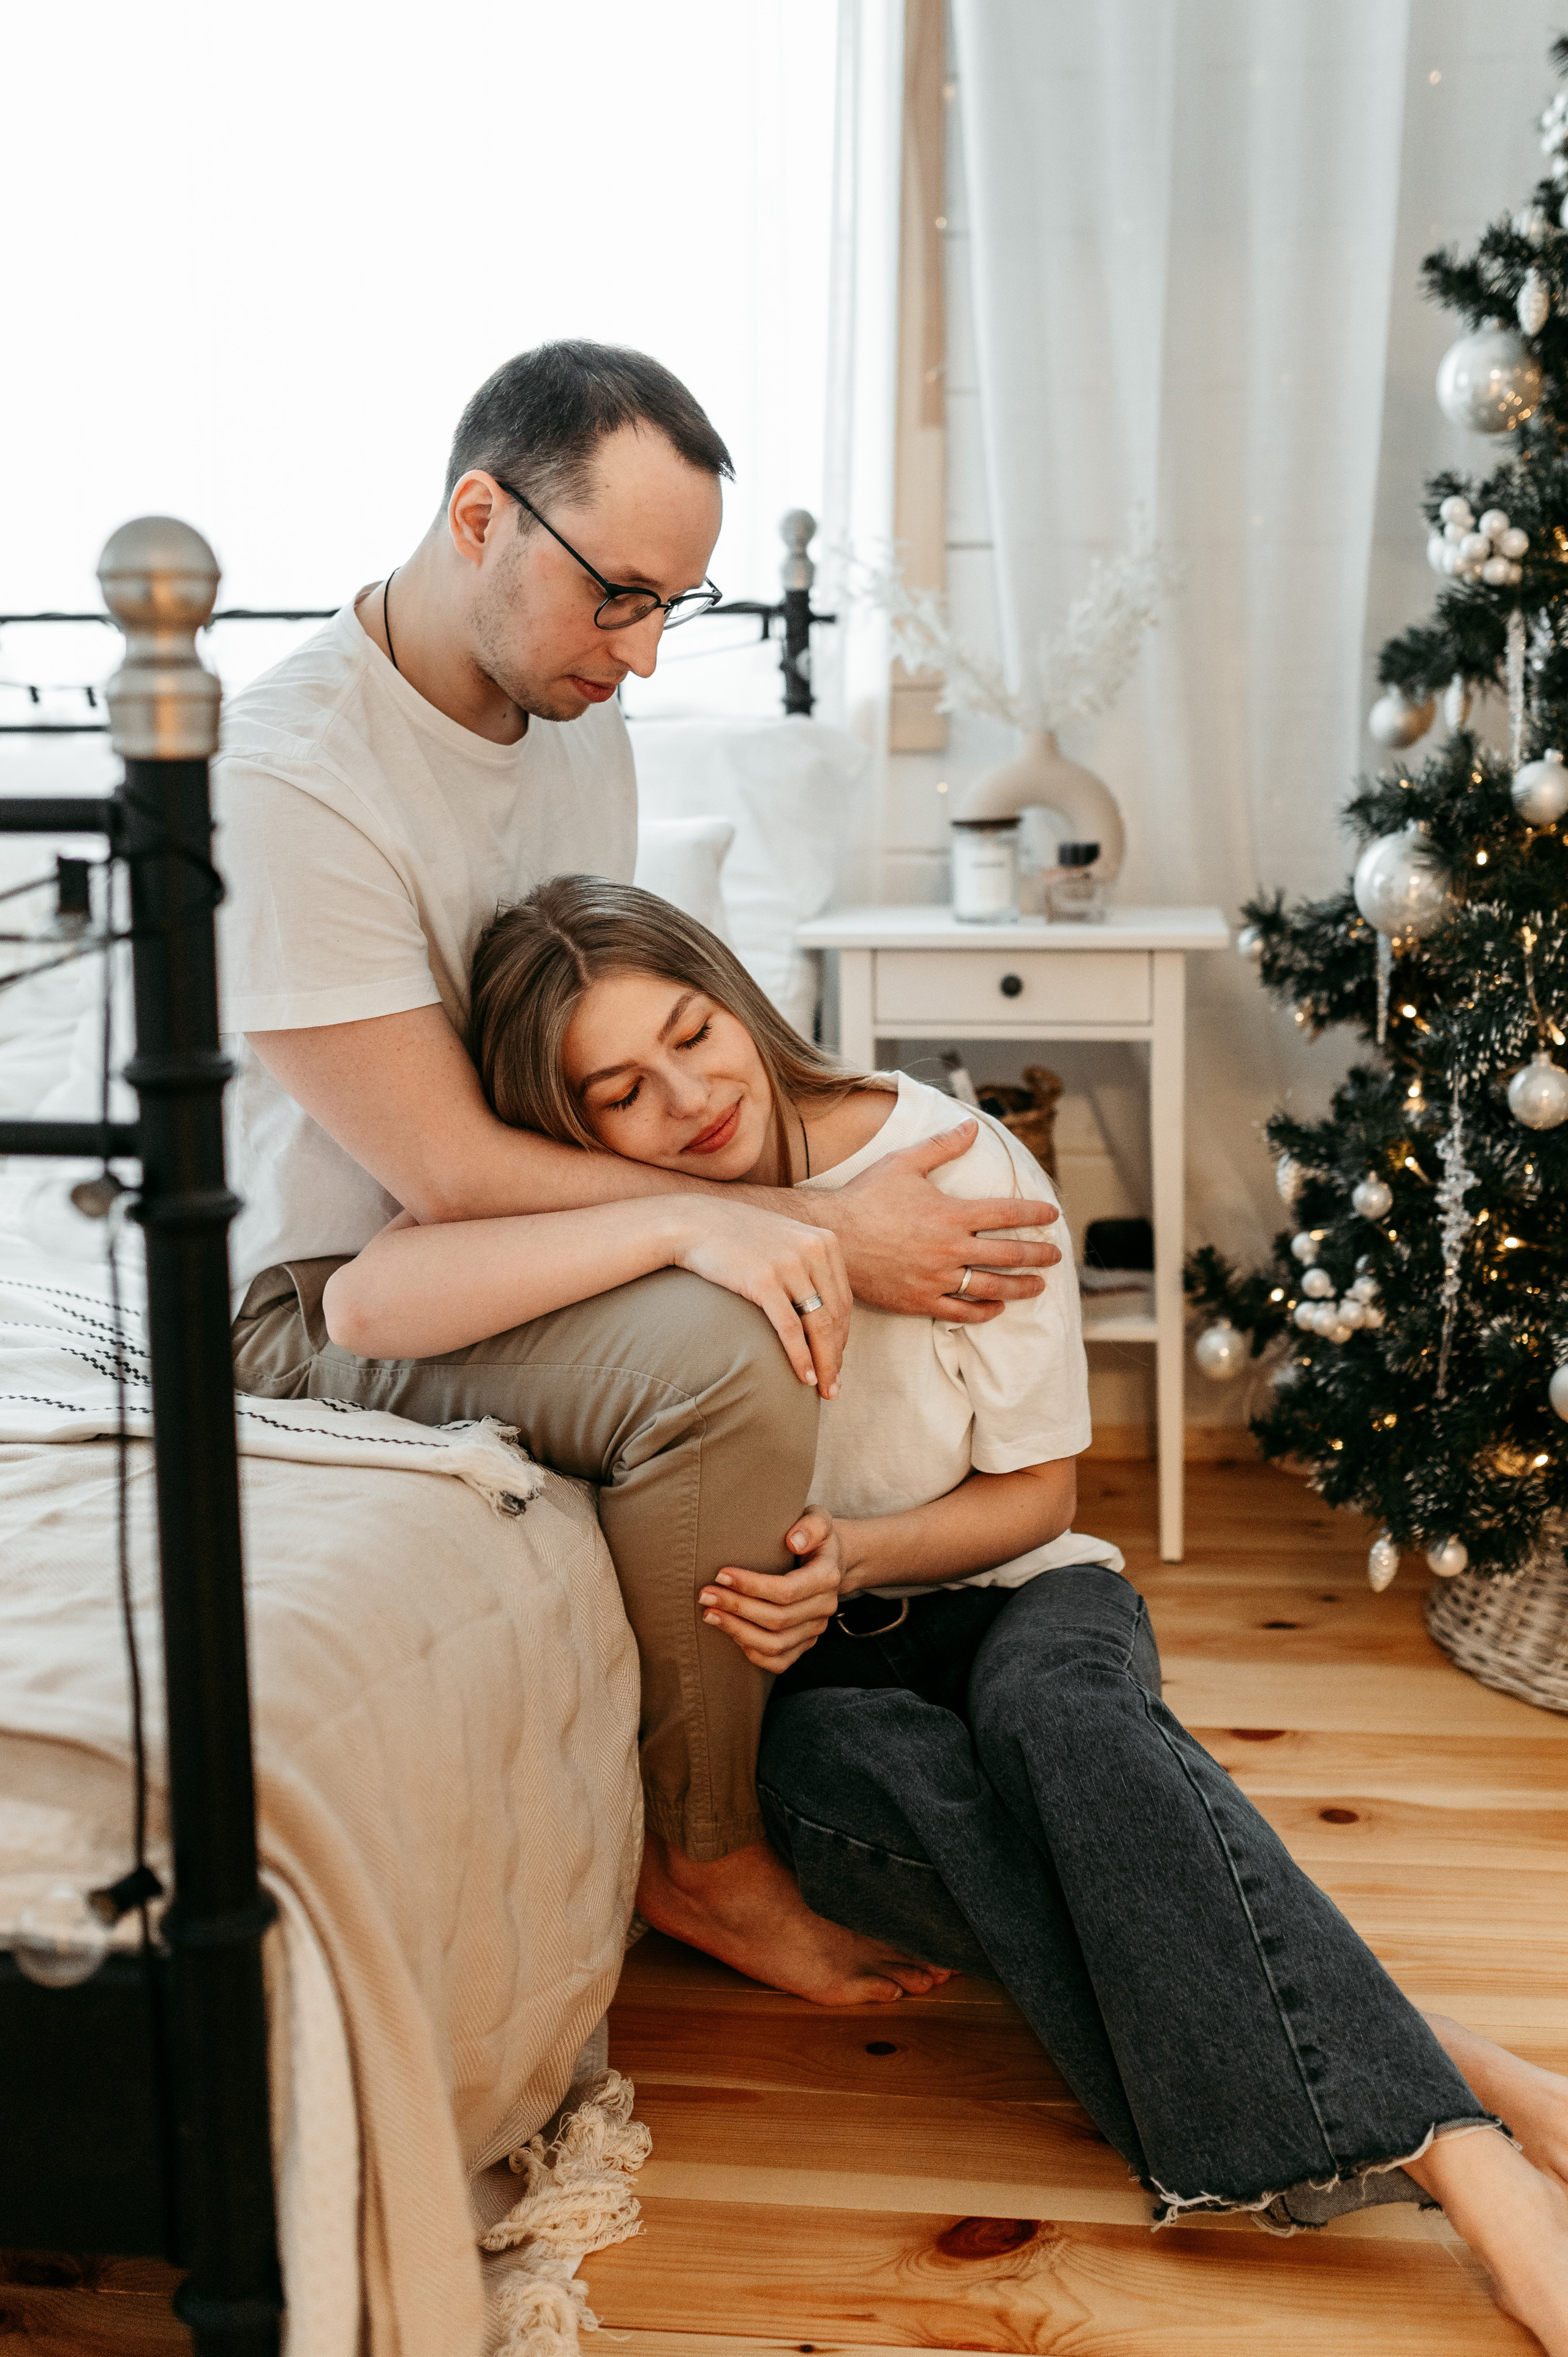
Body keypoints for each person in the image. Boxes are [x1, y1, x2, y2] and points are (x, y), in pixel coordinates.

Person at [323, 876, 1568, 2352]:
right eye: (621, 1093)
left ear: (734, 992)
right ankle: (1451, 2065)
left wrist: (853, 1552)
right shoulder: (626, 1223)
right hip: (814, 1687)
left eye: (691, 1033)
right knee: (929, 1803)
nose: (687, 1097)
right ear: (574, 1129)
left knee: (1071, 1732)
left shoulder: (952, 1164)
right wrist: (678, 1224)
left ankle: (1461, 2158)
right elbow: (363, 1302)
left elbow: (1040, 1495)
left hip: (1007, 1591)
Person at [217, 340, 1063, 2005]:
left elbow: (615, 1035)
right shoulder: (291, 781)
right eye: (620, 598)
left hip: (499, 1241)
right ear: (481, 516)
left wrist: (783, 1185)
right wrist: (786, 1221)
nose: (647, 652)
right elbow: (449, 1171)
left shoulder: (568, 720)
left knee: (759, 1272)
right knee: (724, 1348)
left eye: (680, 606)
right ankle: (710, 1856)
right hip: (327, 1295)